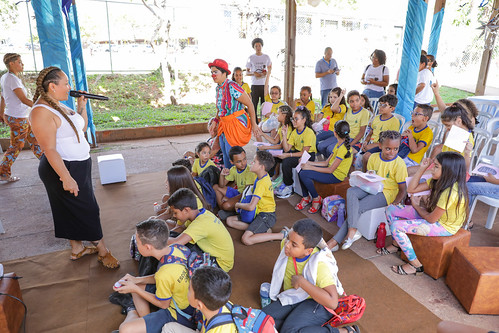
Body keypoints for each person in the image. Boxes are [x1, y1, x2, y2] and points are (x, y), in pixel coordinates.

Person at [29, 66, 119, 268]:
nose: (70, 87)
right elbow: (49, 149)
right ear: (52, 86)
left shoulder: (57, 104)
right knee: (87, 208)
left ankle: (77, 249)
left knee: (68, 208)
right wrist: (66, 177)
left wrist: (81, 107)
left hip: (78, 164)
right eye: (66, 83)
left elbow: (81, 128)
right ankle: (103, 252)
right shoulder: (41, 112)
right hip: (62, 168)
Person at [263, 218, 360, 333]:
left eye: (293, 244)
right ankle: (296, 325)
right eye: (288, 238)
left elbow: (333, 302)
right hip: (294, 296)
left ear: (308, 251)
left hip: (317, 303)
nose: (287, 245)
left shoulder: (319, 265)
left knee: (289, 331)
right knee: (261, 319)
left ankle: (344, 331)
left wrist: (302, 283)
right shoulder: (285, 245)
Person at [382, 152, 468, 276]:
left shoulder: (450, 193)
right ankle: (396, 245)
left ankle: (415, 265)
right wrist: (422, 168)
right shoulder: (438, 180)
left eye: (436, 167)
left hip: (443, 226)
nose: (432, 169)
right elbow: (411, 189)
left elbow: (432, 219)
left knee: (396, 227)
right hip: (432, 214)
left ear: (448, 170)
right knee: (391, 209)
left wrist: (416, 206)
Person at [327, 131, 407, 251]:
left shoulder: (399, 163)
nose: (392, 152)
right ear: (380, 146)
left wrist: (394, 204)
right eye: (388, 148)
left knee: (358, 207)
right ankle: (352, 230)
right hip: (372, 187)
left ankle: (334, 241)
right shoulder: (373, 157)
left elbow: (402, 189)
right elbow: (370, 176)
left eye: (396, 149)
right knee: (351, 192)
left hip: (387, 193)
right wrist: (367, 174)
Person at [113, 219, 196, 333]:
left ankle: (133, 312)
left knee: (124, 329)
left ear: (147, 247)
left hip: (180, 314)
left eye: (137, 242)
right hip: (189, 301)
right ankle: (146, 323)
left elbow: (163, 304)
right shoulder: (176, 248)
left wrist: (135, 288)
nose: (136, 245)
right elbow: (162, 276)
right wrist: (136, 280)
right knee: (136, 286)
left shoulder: (164, 274)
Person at [167, 188, 235, 272]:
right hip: (216, 255)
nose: (174, 216)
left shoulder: (200, 223)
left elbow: (176, 242)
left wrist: (155, 240)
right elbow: (180, 229)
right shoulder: (201, 213)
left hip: (220, 264)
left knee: (178, 257)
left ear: (186, 210)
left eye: (175, 213)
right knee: (173, 238)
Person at [227, 150, 285, 245]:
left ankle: (281, 235)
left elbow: (251, 207)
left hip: (266, 215)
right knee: (230, 221)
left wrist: (238, 204)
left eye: (254, 162)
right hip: (257, 212)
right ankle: (260, 229)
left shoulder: (262, 183)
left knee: (246, 239)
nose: (251, 163)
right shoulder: (258, 176)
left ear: (261, 167)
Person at [209, 59, 260, 169]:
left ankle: (241, 180)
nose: (213, 75)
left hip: (234, 124)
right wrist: (215, 121)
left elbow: (250, 105)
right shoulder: (218, 88)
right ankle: (230, 180)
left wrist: (254, 124)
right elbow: (220, 109)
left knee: (232, 155)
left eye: (215, 72)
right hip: (224, 123)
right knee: (226, 154)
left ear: (224, 73)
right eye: (212, 72)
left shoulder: (232, 86)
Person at [0, 53, 42, 182]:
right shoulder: (12, 79)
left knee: (35, 141)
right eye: (19, 61)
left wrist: (1, 113)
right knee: (16, 146)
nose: (22, 64)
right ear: (11, 63)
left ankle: (50, 164)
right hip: (18, 117)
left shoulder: (6, 77)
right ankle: (3, 172)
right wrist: (40, 106)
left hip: (18, 116)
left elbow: (3, 97)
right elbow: (23, 99)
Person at [297, 121, 353, 214]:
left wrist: (310, 167)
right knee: (301, 170)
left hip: (335, 176)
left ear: (335, 133)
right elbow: (326, 162)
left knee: (304, 173)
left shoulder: (343, 149)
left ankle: (316, 198)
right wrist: (309, 163)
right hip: (331, 172)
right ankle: (306, 197)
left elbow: (330, 170)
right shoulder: (338, 144)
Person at [161, 266, 237, 333]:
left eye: (189, 289)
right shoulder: (219, 304)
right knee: (168, 328)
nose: (187, 290)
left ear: (199, 305)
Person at [274, 107, 317, 199]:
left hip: (308, 156)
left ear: (304, 120)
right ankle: (281, 182)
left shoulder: (309, 133)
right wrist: (284, 135)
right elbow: (286, 149)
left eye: (296, 119)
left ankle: (289, 187)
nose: (293, 121)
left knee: (287, 161)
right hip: (298, 153)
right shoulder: (294, 132)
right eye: (293, 119)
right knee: (280, 158)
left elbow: (304, 153)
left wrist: (288, 155)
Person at [320, 90, 369, 159]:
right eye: (352, 101)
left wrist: (350, 144)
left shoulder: (364, 112)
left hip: (352, 139)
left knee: (330, 149)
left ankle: (333, 164)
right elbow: (333, 108)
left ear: (360, 100)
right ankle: (330, 163)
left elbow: (362, 132)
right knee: (321, 146)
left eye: (357, 100)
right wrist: (341, 96)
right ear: (348, 102)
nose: (355, 103)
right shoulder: (347, 109)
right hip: (342, 135)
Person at [358, 94, 400, 171]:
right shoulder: (376, 118)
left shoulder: (394, 122)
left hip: (382, 146)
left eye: (384, 105)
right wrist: (366, 142)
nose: (380, 107)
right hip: (371, 143)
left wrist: (373, 145)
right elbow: (371, 132)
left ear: (392, 108)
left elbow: (390, 141)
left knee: (366, 157)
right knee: (353, 153)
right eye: (380, 104)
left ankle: (365, 174)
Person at [213, 146, 256, 212]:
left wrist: (229, 199)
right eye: (239, 161)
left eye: (244, 159)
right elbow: (221, 185)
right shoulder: (233, 170)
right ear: (232, 162)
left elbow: (246, 193)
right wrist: (222, 175)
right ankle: (223, 210)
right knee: (215, 187)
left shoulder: (249, 171)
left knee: (226, 205)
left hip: (245, 196)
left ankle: (226, 209)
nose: (243, 163)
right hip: (238, 192)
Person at [316, 88, 347, 158]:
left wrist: (341, 95)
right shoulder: (326, 107)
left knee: (315, 140)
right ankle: (320, 160)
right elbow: (319, 118)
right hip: (323, 130)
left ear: (340, 98)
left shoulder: (342, 107)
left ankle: (321, 160)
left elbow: (334, 108)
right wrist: (322, 121)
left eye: (335, 97)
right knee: (313, 139)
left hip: (332, 131)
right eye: (330, 97)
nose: (332, 99)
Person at [246, 38, 272, 118]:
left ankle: (265, 122)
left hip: (264, 85)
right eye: (256, 46)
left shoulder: (266, 57)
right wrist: (254, 73)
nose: (258, 47)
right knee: (254, 104)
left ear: (262, 46)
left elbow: (270, 69)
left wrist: (266, 73)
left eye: (259, 46)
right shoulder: (251, 57)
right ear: (253, 47)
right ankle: (255, 122)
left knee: (265, 105)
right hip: (255, 85)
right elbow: (247, 72)